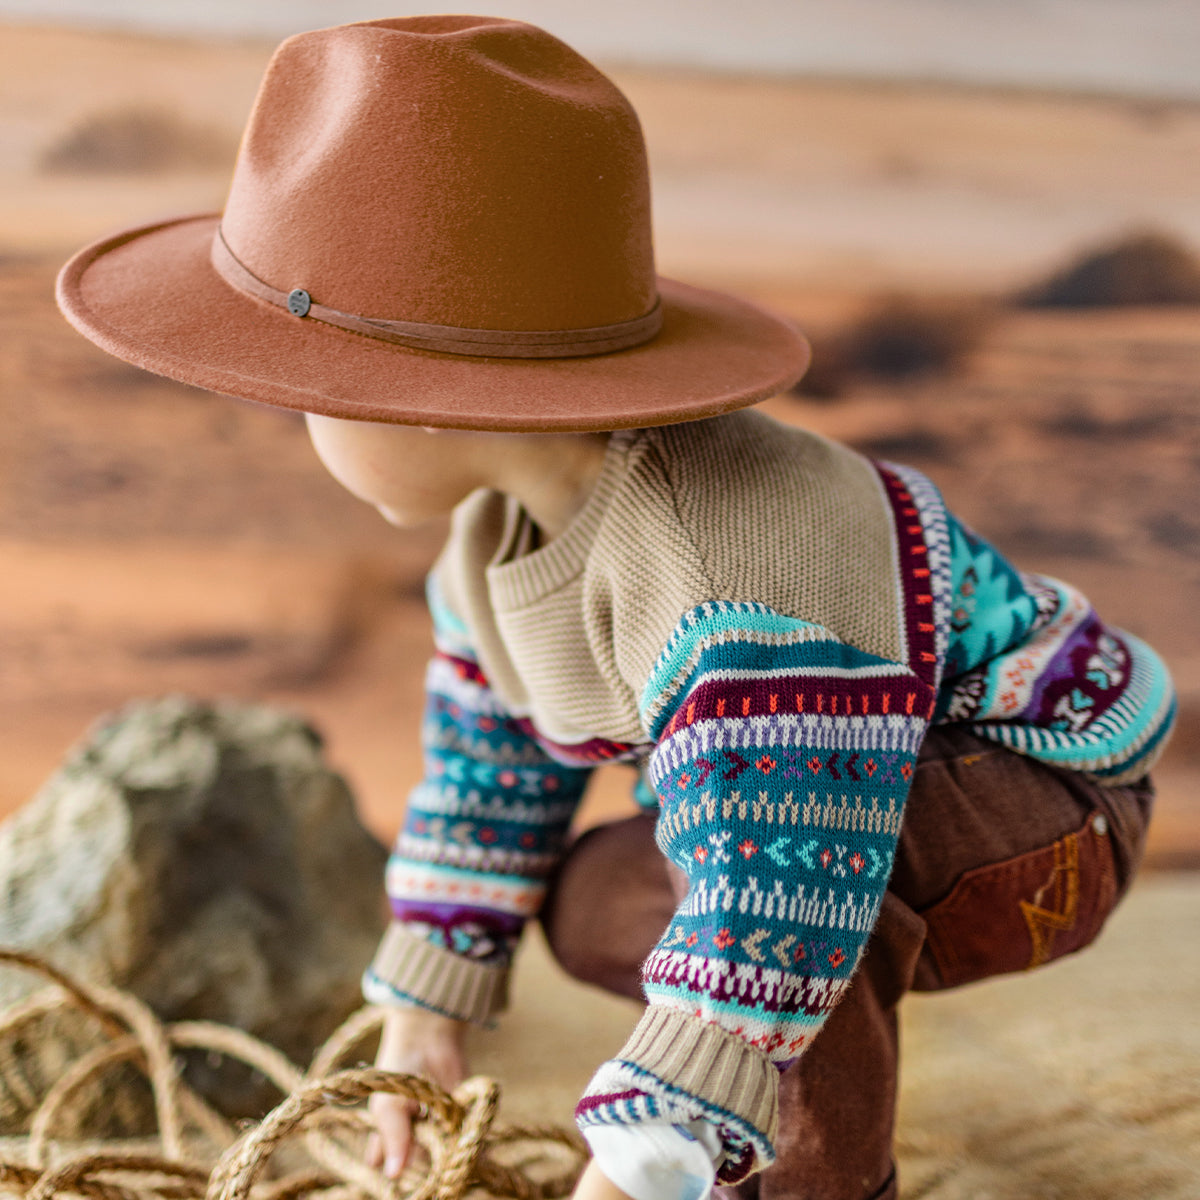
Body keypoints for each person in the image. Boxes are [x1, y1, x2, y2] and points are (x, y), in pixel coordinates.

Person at [55, 16, 1174, 1200]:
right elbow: (484, 772)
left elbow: (787, 862)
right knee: (599, 901)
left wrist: (661, 1130)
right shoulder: (490, 547)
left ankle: (811, 1173)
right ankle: (751, 1067)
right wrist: (427, 1001)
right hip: (819, 797)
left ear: (433, 399)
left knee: (801, 892)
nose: (299, 428)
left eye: (310, 399)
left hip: (1042, 803)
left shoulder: (738, 558)